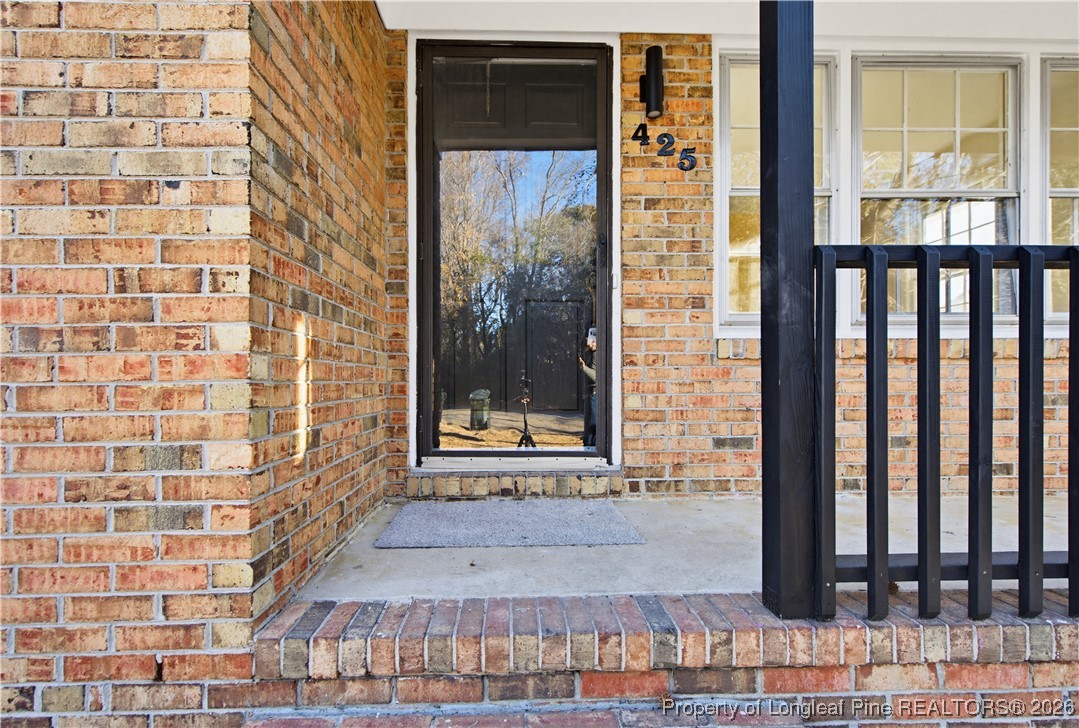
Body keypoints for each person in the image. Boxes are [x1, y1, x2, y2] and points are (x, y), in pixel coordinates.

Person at [578, 328, 597, 447]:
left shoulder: (597, 355)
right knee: (589, 429)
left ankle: (589, 451)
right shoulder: (590, 353)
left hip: (595, 395)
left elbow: (596, 376)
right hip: (590, 394)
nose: (591, 344)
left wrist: (584, 368)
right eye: (590, 341)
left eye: (594, 341)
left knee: (591, 429)